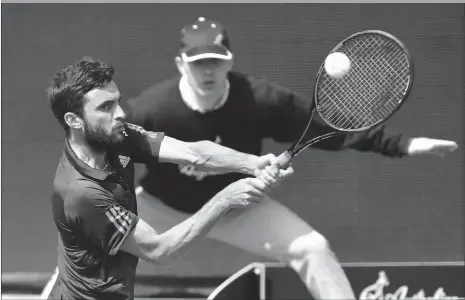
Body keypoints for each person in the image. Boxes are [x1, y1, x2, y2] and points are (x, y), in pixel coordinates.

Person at [123, 17, 459, 300]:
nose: (208, 71)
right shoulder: (152, 109)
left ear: (230, 60)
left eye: (217, 59)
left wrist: (404, 144)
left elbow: (329, 128)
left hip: (240, 207)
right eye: (199, 62)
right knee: (91, 243)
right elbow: (114, 150)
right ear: (181, 64)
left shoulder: (259, 99)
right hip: (162, 208)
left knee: (313, 248)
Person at [42, 57, 293, 300]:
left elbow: (193, 153)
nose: (119, 113)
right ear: (73, 120)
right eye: (105, 107)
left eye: (117, 102)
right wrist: (225, 199)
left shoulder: (117, 136)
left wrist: (253, 163)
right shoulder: (83, 193)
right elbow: (159, 250)